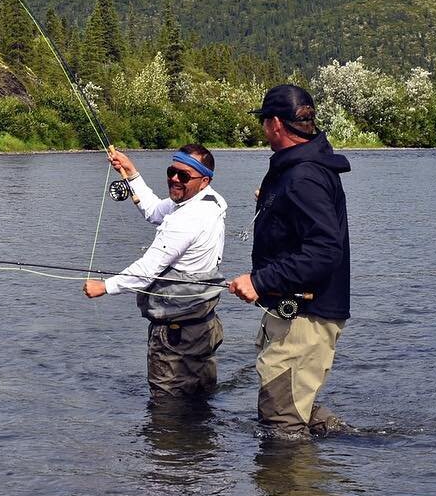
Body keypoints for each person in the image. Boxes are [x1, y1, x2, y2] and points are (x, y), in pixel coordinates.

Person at [227, 84, 351, 438]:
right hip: (296, 313)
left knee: (280, 419)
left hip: (306, 317)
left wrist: (259, 281)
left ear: (277, 124)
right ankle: (341, 465)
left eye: (264, 122)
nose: (263, 130)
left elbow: (325, 250)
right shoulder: (299, 172)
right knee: (297, 406)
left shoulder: (304, 177)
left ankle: (295, 493)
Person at [83, 144, 227, 397]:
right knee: (201, 398)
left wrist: (105, 287)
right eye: (172, 171)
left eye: (183, 176)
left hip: (177, 333)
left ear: (204, 180)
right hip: (203, 324)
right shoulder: (210, 200)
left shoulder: (187, 219)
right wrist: (132, 172)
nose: (173, 178)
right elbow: (154, 211)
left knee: (166, 406)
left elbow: (148, 269)